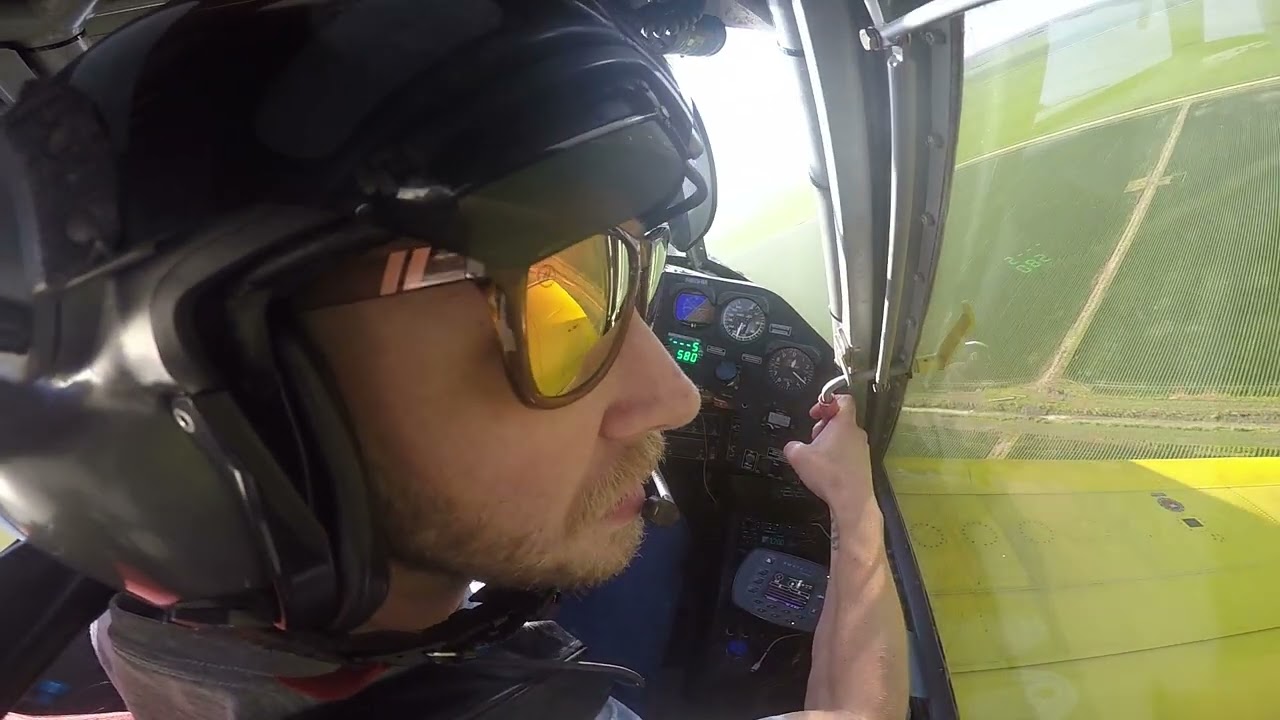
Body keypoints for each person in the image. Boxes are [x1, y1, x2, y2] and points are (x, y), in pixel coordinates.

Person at [0, 0, 906, 718]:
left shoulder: (139, 640)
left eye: (628, 278)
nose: (671, 398)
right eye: (550, 296)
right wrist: (856, 511)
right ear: (217, 386)